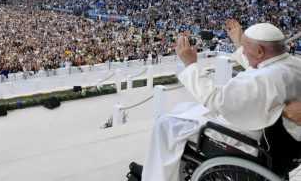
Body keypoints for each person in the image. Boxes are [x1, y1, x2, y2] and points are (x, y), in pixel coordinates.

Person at [128, 20, 301, 181]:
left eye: (245, 48)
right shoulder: (291, 64)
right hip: (273, 138)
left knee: (165, 124)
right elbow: (257, 66)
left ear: (260, 51)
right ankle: (163, 170)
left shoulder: (265, 78)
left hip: (251, 139)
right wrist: (239, 42)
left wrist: (190, 65)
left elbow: (215, 99)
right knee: (183, 109)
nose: (244, 53)